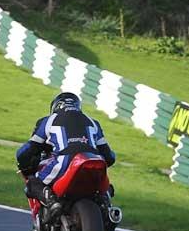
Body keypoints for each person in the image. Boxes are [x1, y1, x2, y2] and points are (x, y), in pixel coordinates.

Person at [16, 92, 116, 221]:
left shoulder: (48, 120)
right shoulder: (93, 122)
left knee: (33, 183)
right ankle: (106, 205)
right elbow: (109, 156)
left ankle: (51, 201)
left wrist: (22, 162)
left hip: (64, 161)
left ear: (55, 107)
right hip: (94, 161)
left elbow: (29, 148)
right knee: (104, 186)